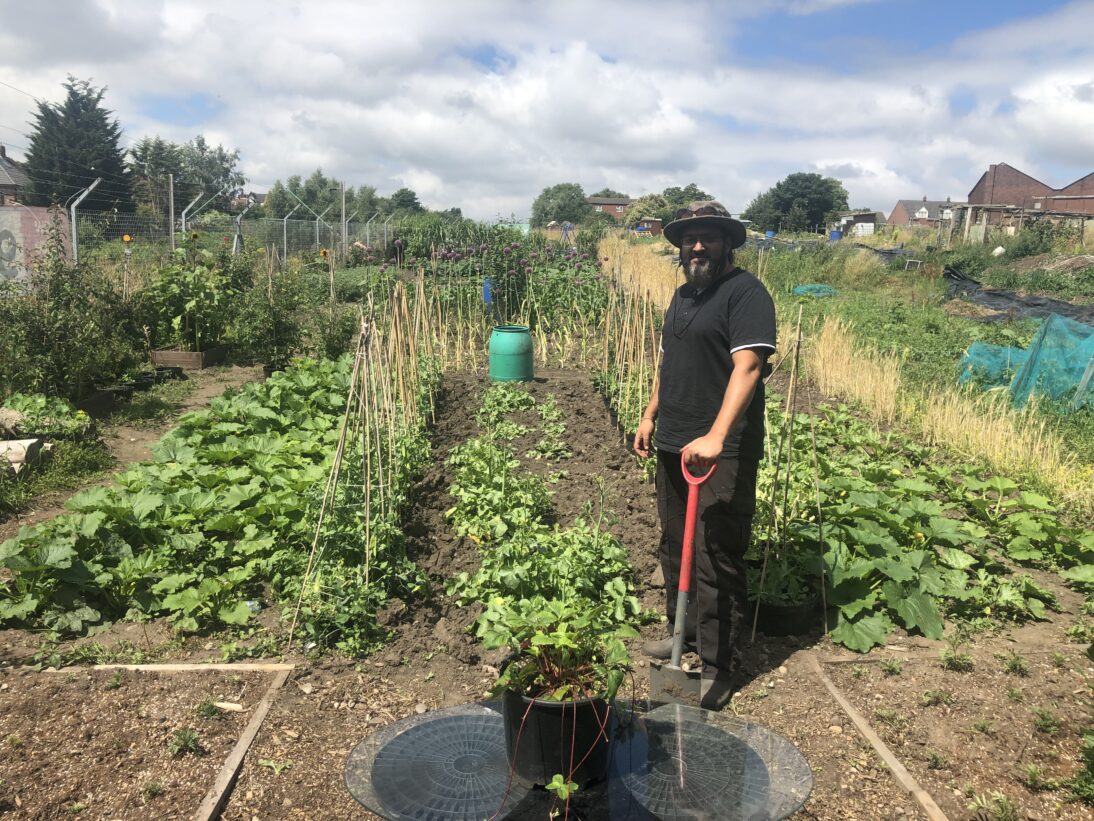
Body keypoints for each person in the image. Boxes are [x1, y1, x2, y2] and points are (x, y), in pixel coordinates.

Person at [633, 201, 776, 710]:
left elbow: (748, 368)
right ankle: (684, 634)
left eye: (708, 237)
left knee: (716, 555)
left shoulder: (745, 294)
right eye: (690, 238)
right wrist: (651, 415)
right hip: (673, 441)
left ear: (727, 243)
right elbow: (668, 359)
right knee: (675, 545)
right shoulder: (682, 296)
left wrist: (716, 435)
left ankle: (719, 666)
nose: (697, 246)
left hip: (721, 450)